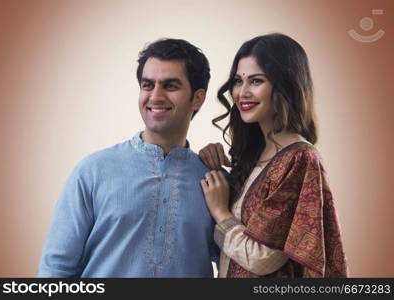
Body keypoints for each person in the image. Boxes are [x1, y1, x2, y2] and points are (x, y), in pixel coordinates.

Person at [38, 38, 218, 277]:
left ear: (197, 98)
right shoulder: (93, 171)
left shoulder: (213, 182)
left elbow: (236, 264)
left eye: (170, 86)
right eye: (147, 85)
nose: (155, 96)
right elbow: (56, 269)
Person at [199, 33, 348, 277]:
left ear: (285, 85)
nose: (241, 92)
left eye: (256, 81)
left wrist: (220, 212)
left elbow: (261, 259)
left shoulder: (299, 159)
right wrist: (215, 168)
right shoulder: (257, 153)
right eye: (238, 81)